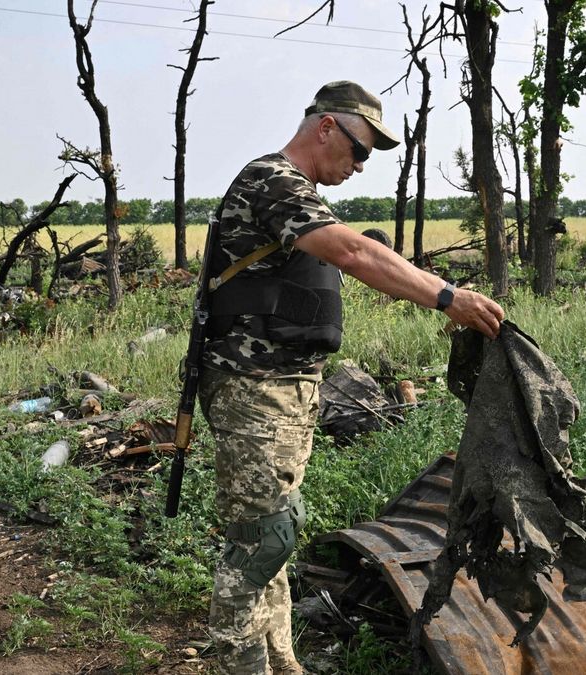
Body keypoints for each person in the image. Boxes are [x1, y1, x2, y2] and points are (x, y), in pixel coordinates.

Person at [196, 80, 504, 674]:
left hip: (287, 388)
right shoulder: (272, 181)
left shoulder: (296, 191)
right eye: (360, 150)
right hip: (254, 389)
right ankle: (237, 664)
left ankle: (281, 664)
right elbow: (353, 254)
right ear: (327, 127)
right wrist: (446, 297)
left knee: (277, 534)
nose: (362, 166)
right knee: (259, 541)